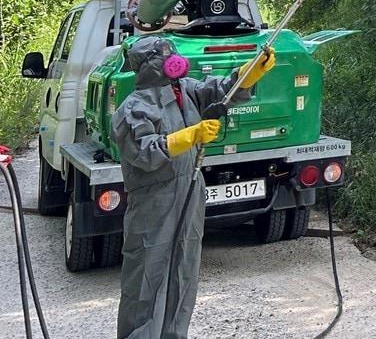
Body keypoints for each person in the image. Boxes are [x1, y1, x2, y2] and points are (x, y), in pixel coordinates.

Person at [112, 35, 275, 339]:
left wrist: (251, 72)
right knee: (147, 276)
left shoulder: (186, 90)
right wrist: (191, 135)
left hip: (190, 189)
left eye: (171, 52)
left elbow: (221, 92)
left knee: (183, 272)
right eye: (162, 55)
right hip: (154, 200)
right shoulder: (133, 108)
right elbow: (145, 153)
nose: (172, 58)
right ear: (146, 65)